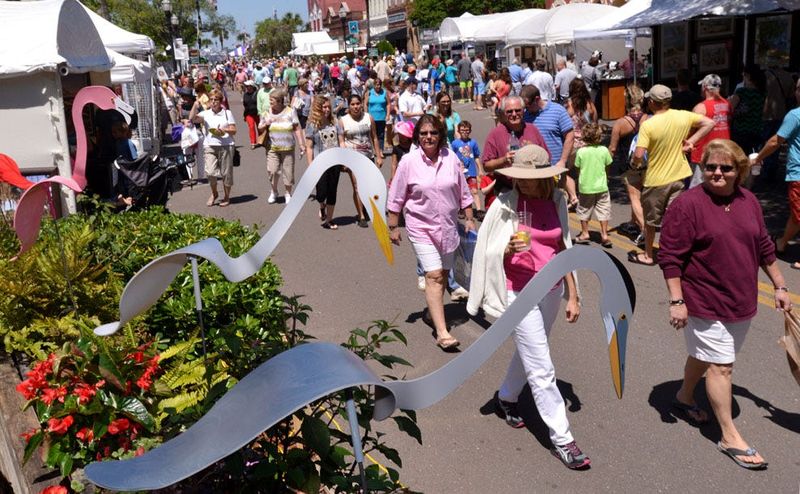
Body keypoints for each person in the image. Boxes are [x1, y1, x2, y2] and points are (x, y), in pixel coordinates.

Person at [658, 138, 790, 470]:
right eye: (709, 167)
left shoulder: (748, 200)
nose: (717, 172)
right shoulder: (687, 205)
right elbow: (670, 256)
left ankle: (684, 397)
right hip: (703, 299)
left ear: (739, 171)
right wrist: (677, 300)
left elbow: (763, 246)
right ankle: (730, 436)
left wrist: (780, 285)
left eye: (725, 167)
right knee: (722, 366)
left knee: (706, 355)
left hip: (741, 299)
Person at [466, 144, 587, 470]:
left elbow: (565, 248)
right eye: (521, 178)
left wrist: (573, 294)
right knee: (542, 367)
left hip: (550, 289)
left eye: (531, 178)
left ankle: (506, 398)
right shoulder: (506, 204)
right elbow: (488, 252)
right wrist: (506, 247)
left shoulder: (556, 200)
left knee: (531, 351)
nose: (526, 183)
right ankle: (563, 440)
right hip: (517, 292)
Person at [387, 114, 475, 351]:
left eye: (433, 133)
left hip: (447, 227)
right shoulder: (408, 161)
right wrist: (393, 226)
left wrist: (468, 218)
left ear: (441, 135)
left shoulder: (451, 158)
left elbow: (463, 190)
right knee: (434, 275)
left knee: (443, 274)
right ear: (417, 136)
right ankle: (442, 331)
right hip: (421, 227)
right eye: (424, 133)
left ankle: (431, 313)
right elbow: (396, 195)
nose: (429, 137)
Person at [629, 84, 715, 266]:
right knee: (675, 219)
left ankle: (649, 255)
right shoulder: (682, 115)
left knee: (651, 221)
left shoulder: (648, 124)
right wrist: (691, 141)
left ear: (651, 102)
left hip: (656, 180)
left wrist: (635, 164)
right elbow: (710, 123)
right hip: (679, 176)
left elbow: (638, 155)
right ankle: (679, 252)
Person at [752, 77, 800, 268]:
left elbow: (775, 141)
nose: (796, 91)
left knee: (798, 215)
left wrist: (758, 157)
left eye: (797, 88)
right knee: (796, 214)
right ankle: (781, 243)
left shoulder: (795, 115)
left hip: (798, 175)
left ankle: (780, 243)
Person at [608, 84, 650, 245]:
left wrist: (606, 166)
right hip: (647, 161)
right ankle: (633, 223)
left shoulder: (620, 123)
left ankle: (645, 230)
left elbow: (612, 148)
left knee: (634, 197)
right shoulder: (648, 118)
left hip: (629, 164)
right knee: (642, 195)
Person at [483, 95, 549, 196]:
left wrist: (535, 150)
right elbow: (486, 166)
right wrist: (504, 160)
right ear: (504, 113)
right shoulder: (495, 134)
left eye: (518, 110)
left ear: (523, 111)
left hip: (534, 190)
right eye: (509, 111)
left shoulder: (532, 129)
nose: (514, 114)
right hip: (507, 190)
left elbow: (547, 157)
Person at [338, 94, 384, 228]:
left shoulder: (368, 118)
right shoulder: (343, 121)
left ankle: (366, 208)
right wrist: (344, 160)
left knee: (368, 186)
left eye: (358, 103)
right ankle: (361, 215)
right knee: (357, 187)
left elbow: (374, 137)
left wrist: (378, 155)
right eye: (352, 104)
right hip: (353, 158)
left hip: (368, 156)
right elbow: (341, 141)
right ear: (349, 106)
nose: (356, 106)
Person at [189, 89, 236, 207]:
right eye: (211, 99)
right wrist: (195, 106)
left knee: (226, 173)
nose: (213, 102)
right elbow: (192, 119)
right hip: (209, 145)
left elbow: (234, 130)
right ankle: (214, 193)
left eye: (216, 99)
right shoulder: (206, 113)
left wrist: (224, 130)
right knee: (210, 172)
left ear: (221, 101)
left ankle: (226, 196)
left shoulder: (227, 113)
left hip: (226, 145)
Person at [259, 88, 304, 204]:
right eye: (270, 101)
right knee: (272, 170)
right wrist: (265, 124)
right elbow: (260, 127)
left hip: (288, 147)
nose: (270, 103)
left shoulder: (290, 111)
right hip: (272, 147)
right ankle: (274, 191)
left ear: (279, 101)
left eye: (272, 101)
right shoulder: (266, 112)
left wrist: (301, 144)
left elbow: (296, 128)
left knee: (288, 172)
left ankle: (288, 193)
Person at [305, 96, 342, 230]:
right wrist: (310, 164)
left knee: (332, 191)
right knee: (321, 192)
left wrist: (343, 158)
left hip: (335, 162)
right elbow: (309, 146)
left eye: (328, 107)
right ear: (318, 108)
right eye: (324, 107)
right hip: (319, 163)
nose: (327, 110)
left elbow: (341, 140)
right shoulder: (312, 125)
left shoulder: (335, 122)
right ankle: (322, 205)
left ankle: (329, 219)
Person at [689, 74, 732, 187]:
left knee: (698, 187)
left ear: (705, 87)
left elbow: (690, 131)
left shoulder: (700, 107)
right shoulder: (727, 104)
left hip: (702, 154)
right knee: (718, 184)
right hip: (723, 151)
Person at [573, 123, 613, 247]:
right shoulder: (604, 150)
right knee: (603, 209)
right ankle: (604, 234)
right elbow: (608, 165)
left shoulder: (581, 152)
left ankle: (585, 233)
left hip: (586, 187)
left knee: (584, 209)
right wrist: (606, 177)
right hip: (601, 186)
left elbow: (578, 168)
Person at [521, 85, 574, 171]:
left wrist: (563, 161)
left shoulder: (558, 111)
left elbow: (570, 136)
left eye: (528, 105)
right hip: (533, 167)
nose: (526, 109)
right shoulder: (525, 115)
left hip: (555, 166)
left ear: (537, 99)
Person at [564, 78, 598, 208]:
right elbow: (595, 122)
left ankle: (573, 197)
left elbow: (565, 120)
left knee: (565, 172)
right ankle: (587, 198)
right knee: (584, 172)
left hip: (574, 143)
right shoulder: (590, 104)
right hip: (588, 143)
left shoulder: (570, 104)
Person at [730, 64, 767, 155]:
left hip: (740, 131)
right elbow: (764, 112)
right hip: (756, 130)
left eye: (744, 75)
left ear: (748, 76)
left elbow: (730, 108)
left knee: (739, 157)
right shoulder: (763, 93)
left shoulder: (742, 92)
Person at [451, 120, 484, 217]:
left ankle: (478, 210)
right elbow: (452, 157)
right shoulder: (455, 143)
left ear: (470, 131)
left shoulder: (473, 142)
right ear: (459, 131)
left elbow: (477, 156)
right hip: (460, 172)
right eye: (462, 130)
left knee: (474, 191)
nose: (465, 132)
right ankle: (462, 209)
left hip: (471, 171)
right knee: (460, 191)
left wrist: (480, 169)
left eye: (467, 130)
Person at [367, 77, 388, 152]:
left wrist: (388, 114)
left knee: (381, 135)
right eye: (376, 85)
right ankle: (376, 150)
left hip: (381, 117)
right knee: (373, 134)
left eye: (379, 85)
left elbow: (388, 104)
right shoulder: (369, 92)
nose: (378, 86)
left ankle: (381, 150)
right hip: (371, 117)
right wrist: (366, 114)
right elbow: (365, 104)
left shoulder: (384, 92)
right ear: (374, 85)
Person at [242, 80, 259, 149]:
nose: (247, 87)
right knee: (251, 127)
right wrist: (244, 115)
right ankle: (253, 142)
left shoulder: (257, 94)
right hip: (248, 114)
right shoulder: (245, 94)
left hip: (257, 113)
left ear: (252, 86)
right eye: (246, 86)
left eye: (248, 86)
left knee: (260, 128)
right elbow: (244, 105)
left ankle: (262, 140)